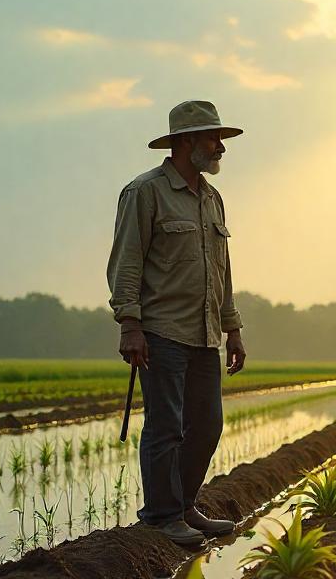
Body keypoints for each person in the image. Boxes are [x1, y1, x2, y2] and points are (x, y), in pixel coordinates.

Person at [106, 100, 247, 548]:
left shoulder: (212, 198)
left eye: (220, 139)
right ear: (187, 142)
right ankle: (163, 516)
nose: (219, 147)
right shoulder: (144, 193)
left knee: (207, 426)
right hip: (161, 331)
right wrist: (130, 323)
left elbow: (222, 269)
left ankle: (184, 505)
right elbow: (126, 262)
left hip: (205, 333)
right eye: (212, 138)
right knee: (166, 426)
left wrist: (233, 327)